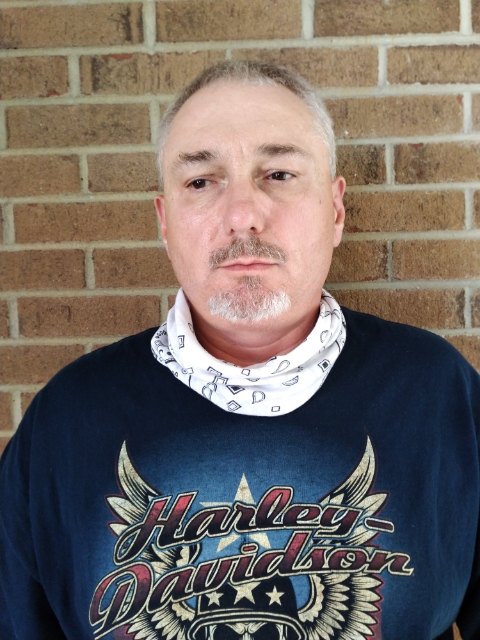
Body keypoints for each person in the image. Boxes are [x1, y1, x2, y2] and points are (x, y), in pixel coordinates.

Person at [0, 60, 478, 640]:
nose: (242, 215)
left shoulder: (441, 394)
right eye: (201, 182)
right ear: (165, 221)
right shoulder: (66, 420)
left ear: (335, 211)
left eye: (278, 173)